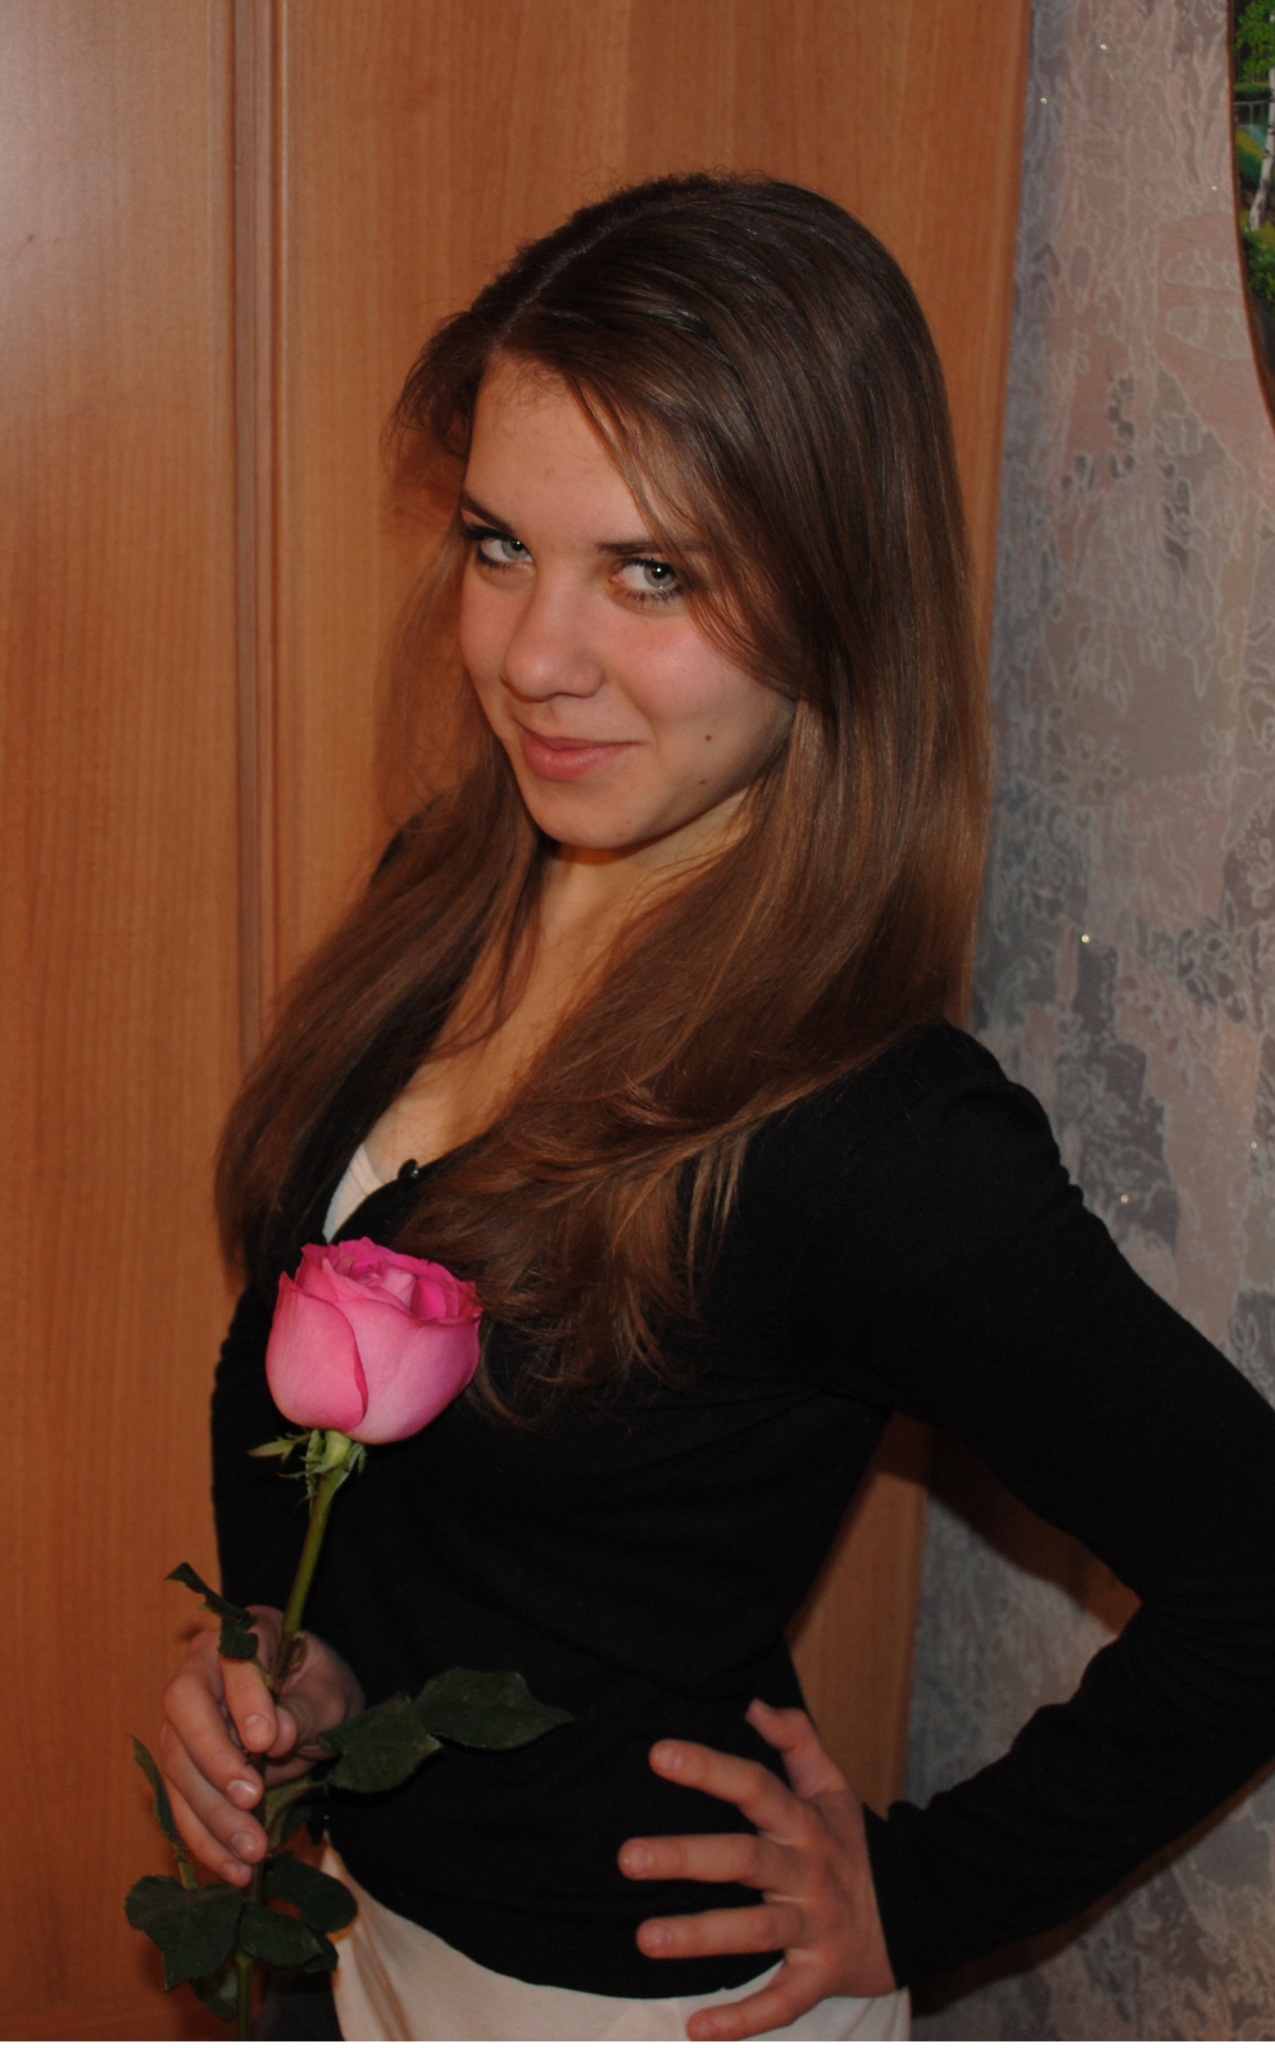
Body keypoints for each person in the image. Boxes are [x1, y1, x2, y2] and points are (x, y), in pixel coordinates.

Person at [158, 173, 1275, 2043]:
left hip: (640, 2011)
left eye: (652, 573)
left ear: (838, 595)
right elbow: (295, 1347)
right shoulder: (454, 883)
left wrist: (925, 1895)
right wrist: (291, 1655)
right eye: (500, 546)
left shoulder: (873, 1140)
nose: (534, 657)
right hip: (359, 1936)